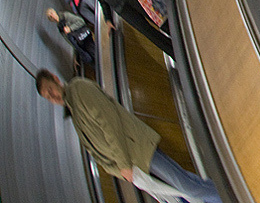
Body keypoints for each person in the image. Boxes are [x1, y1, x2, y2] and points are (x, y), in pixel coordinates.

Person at [35, 71, 222, 203]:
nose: (52, 96)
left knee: (186, 186)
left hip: (138, 151)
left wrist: (123, 164)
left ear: (55, 78)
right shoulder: (73, 112)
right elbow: (98, 154)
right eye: (48, 97)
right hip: (134, 167)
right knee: (183, 186)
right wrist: (123, 172)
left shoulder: (79, 89)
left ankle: (233, 196)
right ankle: (224, 193)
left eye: (50, 89)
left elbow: (109, 124)